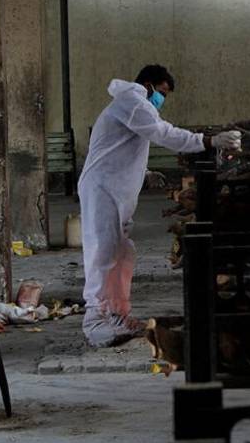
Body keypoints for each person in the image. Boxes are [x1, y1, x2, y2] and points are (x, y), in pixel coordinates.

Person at [79, 65, 241, 347]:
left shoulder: (133, 105)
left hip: (115, 189)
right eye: (162, 93)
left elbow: (119, 147)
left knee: (122, 254)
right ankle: (94, 321)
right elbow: (162, 132)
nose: (161, 100)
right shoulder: (133, 100)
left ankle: (117, 315)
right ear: (149, 85)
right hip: (103, 189)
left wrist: (145, 172)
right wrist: (207, 140)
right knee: (103, 254)